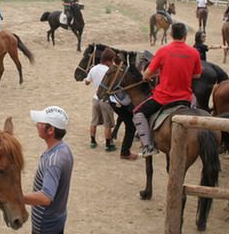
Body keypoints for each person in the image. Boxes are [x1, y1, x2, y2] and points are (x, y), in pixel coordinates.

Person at [133, 23, 202, 157]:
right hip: (185, 99)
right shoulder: (194, 52)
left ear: (171, 35)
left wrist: (147, 76)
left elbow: (146, 75)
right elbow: (198, 75)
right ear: (185, 35)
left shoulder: (163, 51)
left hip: (163, 99)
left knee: (138, 112)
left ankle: (147, 146)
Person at [24, 106, 74, 234]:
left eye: (41, 123)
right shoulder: (65, 148)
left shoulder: (53, 161)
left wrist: (16, 197)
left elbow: (46, 197)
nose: (37, 125)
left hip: (46, 224)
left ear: (51, 130)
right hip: (56, 218)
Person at [84, 48, 117, 153]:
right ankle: (108, 144)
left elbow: (87, 82)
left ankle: (93, 141)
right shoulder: (109, 70)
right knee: (108, 124)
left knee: (94, 121)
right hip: (106, 100)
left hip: (96, 98)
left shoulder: (94, 69)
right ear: (109, 60)